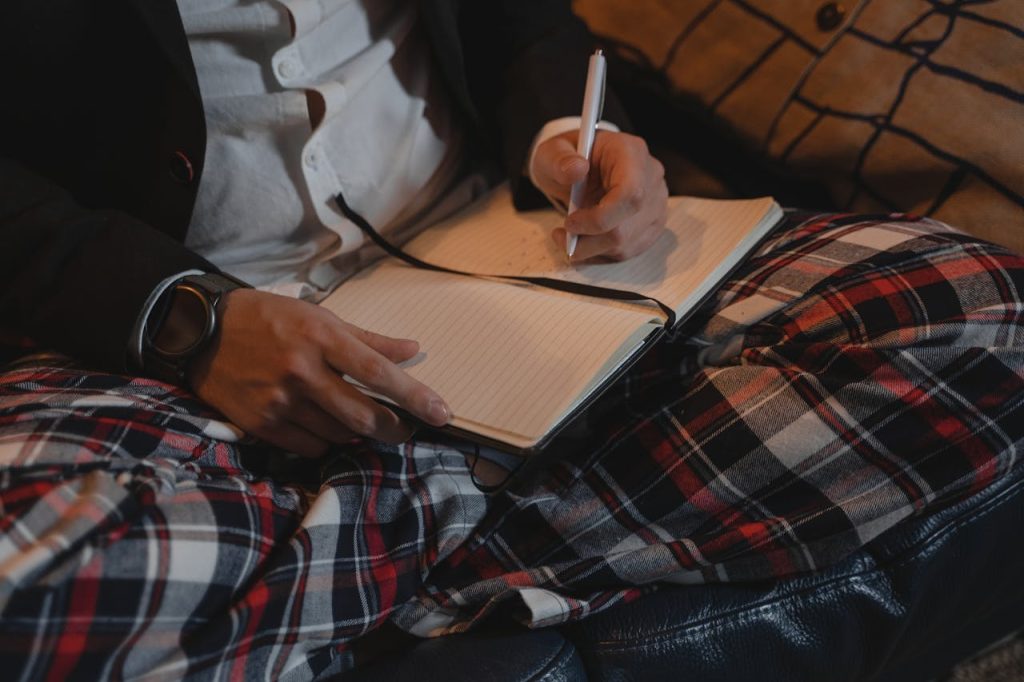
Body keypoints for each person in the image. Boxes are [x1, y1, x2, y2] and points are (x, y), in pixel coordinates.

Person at [2, 0, 1023, 679]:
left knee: (972, 309)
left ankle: (402, 521)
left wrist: (571, 138)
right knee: (30, 584)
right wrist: (187, 318)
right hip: (164, 329)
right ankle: (494, 491)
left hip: (520, 243)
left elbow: (520, 21)